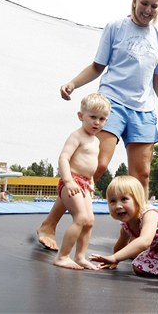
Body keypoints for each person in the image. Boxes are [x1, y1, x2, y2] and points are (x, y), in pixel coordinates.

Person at [37, 0, 158, 251]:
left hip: (143, 110)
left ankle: (133, 237)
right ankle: (49, 224)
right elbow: (97, 66)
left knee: (142, 176)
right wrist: (73, 84)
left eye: (154, 6)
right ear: (134, 1)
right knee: (96, 166)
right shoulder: (116, 28)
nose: (148, 9)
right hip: (111, 104)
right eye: (144, 3)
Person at [53, 93, 111, 270]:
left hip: (85, 183)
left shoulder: (95, 140)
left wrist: (92, 181)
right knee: (81, 218)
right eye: (92, 117)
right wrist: (68, 181)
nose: (97, 122)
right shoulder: (76, 136)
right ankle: (62, 256)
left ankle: (79, 256)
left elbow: (89, 165)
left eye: (102, 119)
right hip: (72, 181)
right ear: (81, 116)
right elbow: (64, 158)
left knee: (90, 220)